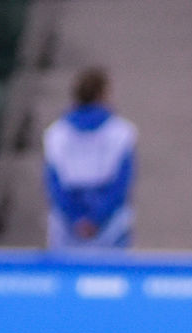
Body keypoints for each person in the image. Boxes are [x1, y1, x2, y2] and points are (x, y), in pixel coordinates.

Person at [43, 68, 137, 250]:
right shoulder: (121, 132)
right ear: (103, 95)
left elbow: (55, 184)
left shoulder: (56, 133)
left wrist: (77, 217)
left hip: (69, 224)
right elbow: (120, 183)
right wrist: (96, 218)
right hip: (106, 223)